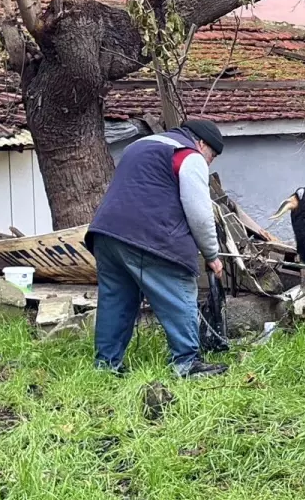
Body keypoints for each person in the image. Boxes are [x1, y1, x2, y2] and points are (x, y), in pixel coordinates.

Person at [84, 119, 229, 378]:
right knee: (179, 291)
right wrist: (211, 255)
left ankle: (106, 366)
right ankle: (187, 363)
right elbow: (199, 213)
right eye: (213, 156)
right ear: (202, 143)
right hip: (150, 237)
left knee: (116, 300)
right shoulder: (188, 155)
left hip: (106, 234)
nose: (210, 162)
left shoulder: (139, 146)